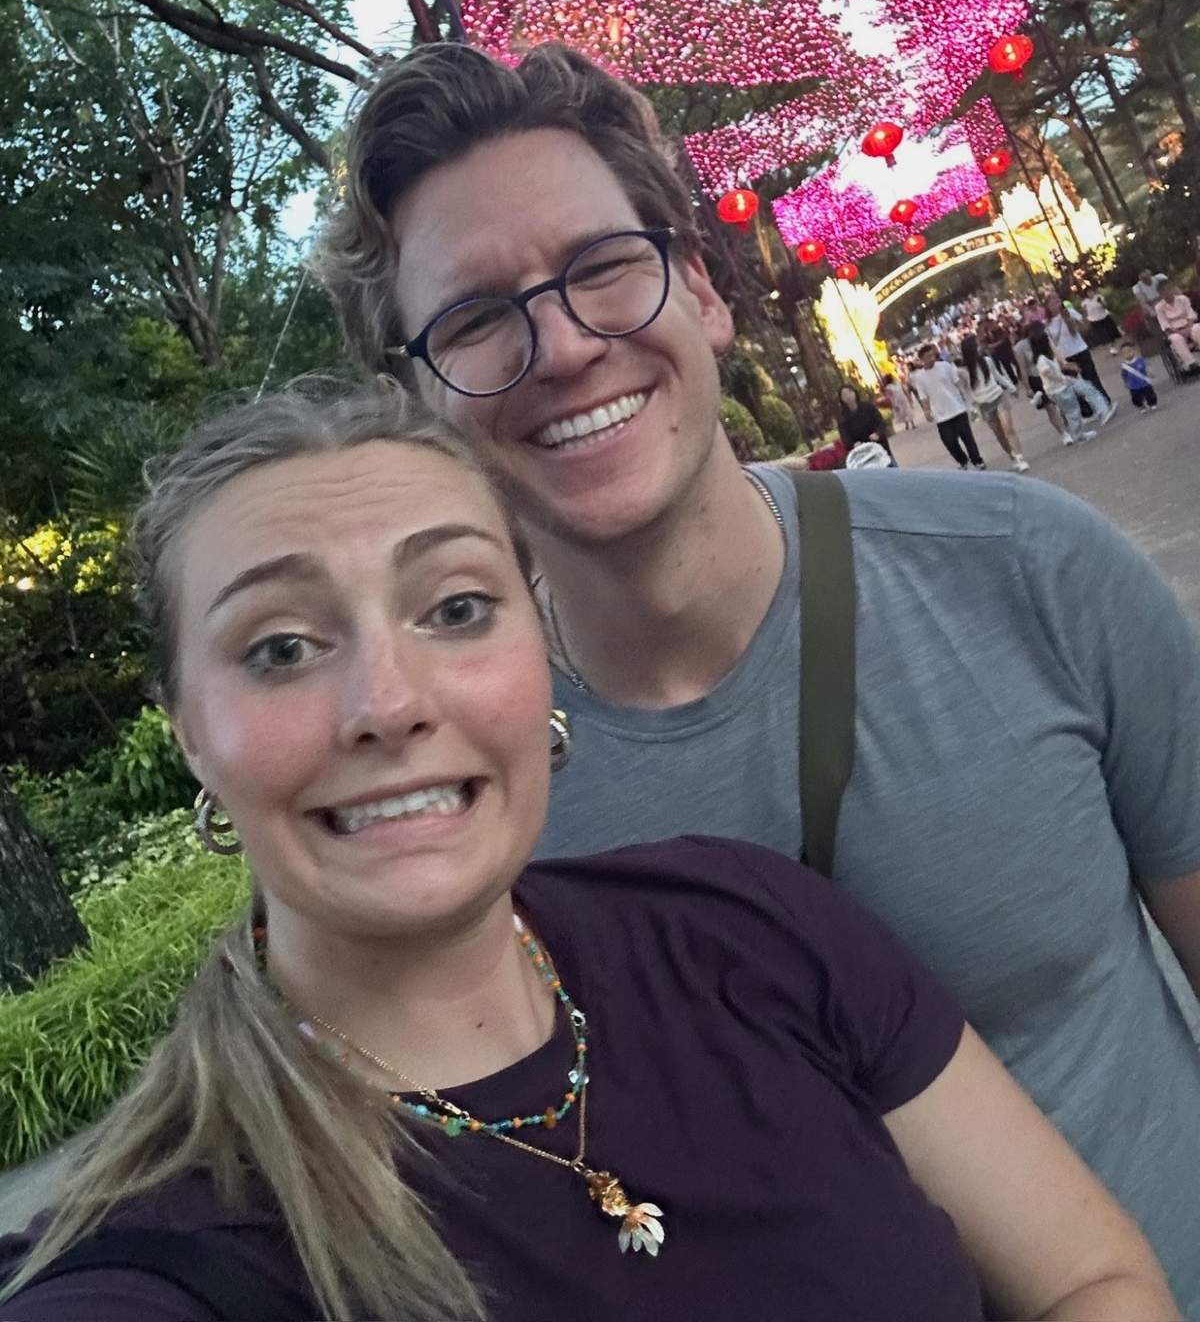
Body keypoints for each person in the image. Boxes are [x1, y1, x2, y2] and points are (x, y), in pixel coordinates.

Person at [316, 39, 1200, 1310]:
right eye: (472, 321)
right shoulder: (457, 804)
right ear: (419, 404)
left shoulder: (1035, 575)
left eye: (602, 270)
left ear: (705, 290)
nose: (561, 348)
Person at [1, 389, 1180, 1322]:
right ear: (189, 730)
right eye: (281, 646)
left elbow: (1092, 1278)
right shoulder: (170, 1249)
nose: (388, 700)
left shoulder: (748, 925)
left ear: (537, 647)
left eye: (456, 607)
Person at [908, 343, 986, 470]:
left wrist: (967, 400)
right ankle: (963, 460)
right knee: (950, 442)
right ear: (922, 359)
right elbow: (923, 396)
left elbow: (958, 383)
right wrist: (927, 411)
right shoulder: (920, 377)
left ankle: (977, 460)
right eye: (928, 357)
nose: (932, 358)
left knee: (967, 438)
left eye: (933, 355)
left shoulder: (945, 366)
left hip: (957, 408)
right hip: (941, 415)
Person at [958, 333, 1029, 472]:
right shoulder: (963, 371)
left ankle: (1020, 458)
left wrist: (1011, 387)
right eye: (977, 344)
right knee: (999, 434)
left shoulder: (987, 361)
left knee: (1008, 429)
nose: (980, 346)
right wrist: (971, 408)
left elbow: (997, 376)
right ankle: (1012, 456)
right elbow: (965, 392)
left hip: (998, 396)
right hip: (983, 404)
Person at [1028, 325, 1109, 445]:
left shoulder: (1046, 356)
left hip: (1061, 386)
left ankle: (1100, 409)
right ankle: (1079, 434)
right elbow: (1046, 372)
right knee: (1072, 411)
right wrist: (1060, 378)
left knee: (1083, 391)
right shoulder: (1042, 359)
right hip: (1058, 389)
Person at [1044, 290, 1114, 409]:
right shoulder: (1048, 323)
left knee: (1091, 378)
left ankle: (1104, 402)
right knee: (1075, 384)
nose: (1055, 304)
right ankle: (1086, 410)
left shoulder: (1069, 312)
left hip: (1080, 349)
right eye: (1052, 303)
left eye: (1057, 301)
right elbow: (1051, 341)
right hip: (1065, 356)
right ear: (1047, 306)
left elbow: (1085, 326)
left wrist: (1072, 322)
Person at [836, 383, 895, 465]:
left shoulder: (868, 407)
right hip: (862, 453)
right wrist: (853, 444)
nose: (848, 396)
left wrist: (877, 433)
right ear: (841, 399)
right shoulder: (842, 418)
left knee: (890, 465)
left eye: (850, 392)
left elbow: (880, 422)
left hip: (880, 446)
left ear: (855, 393)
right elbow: (844, 437)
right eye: (844, 394)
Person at [1154, 282, 1200, 373]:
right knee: (1176, 339)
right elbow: (1164, 323)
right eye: (1163, 293)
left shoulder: (1183, 299)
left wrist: (1189, 326)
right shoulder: (1159, 307)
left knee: (1197, 328)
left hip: (1188, 324)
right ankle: (1192, 364)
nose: (1167, 294)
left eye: (1168, 291)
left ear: (1172, 290)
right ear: (1160, 295)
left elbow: (1190, 313)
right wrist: (1178, 331)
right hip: (1174, 330)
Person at [1119, 342, 1160, 412]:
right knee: (1135, 398)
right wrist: (1125, 382)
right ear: (1122, 355)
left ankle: (1152, 403)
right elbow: (1124, 375)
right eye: (1124, 353)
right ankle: (1141, 406)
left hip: (1144, 382)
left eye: (1129, 351)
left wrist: (1150, 372)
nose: (1128, 354)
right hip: (1133, 385)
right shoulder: (1124, 366)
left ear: (1134, 351)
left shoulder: (1140, 360)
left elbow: (1147, 366)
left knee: (1149, 393)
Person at [1081, 289, 1121, 355]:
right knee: (1103, 335)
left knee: (1111, 334)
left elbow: (1106, 306)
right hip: (1095, 321)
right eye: (1089, 292)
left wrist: (1101, 302)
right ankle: (1110, 348)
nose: (1091, 293)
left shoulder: (1099, 297)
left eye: (1091, 291)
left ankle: (1113, 347)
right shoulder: (1085, 302)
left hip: (1104, 317)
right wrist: (1085, 321)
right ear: (1086, 294)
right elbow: (1085, 313)